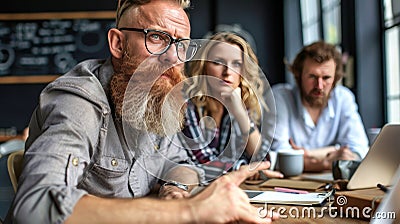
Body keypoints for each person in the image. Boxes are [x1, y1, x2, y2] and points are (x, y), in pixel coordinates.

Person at [6, 0, 278, 223]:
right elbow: (36, 206)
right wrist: (187, 211)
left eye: (181, 45)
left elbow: (181, 163)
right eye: (157, 38)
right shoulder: (79, 101)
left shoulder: (157, 99)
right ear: (118, 44)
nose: (173, 57)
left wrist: (174, 190)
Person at [178, 32, 283, 181]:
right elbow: (202, 162)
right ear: (203, 67)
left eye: (236, 63)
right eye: (218, 62)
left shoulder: (240, 105)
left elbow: (264, 161)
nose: (227, 72)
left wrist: (240, 114)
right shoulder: (188, 105)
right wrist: (243, 169)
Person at [268, 41, 369, 172]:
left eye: (326, 78)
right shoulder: (279, 97)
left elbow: (359, 149)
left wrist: (308, 154)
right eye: (312, 77)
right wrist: (327, 162)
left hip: (333, 184)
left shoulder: (343, 98)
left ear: (335, 78)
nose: (319, 86)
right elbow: (279, 156)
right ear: (299, 75)